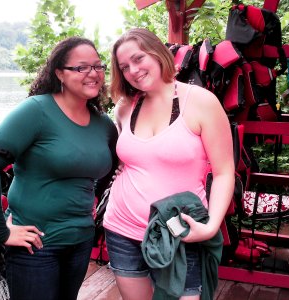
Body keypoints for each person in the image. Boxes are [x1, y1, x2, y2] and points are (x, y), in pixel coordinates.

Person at [0, 36, 118, 300]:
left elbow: (110, 167)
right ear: (60, 73)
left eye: (98, 66)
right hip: (36, 243)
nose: (93, 74)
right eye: (81, 67)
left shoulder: (103, 124)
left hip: (81, 239)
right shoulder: (36, 111)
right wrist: (1, 231)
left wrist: (94, 196)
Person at [103, 28, 235, 300]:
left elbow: (224, 173)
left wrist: (210, 227)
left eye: (139, 59)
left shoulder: (201, 102)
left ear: (157, 53)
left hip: (180, 230)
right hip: (122, 227)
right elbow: (137, 158)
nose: (133, 70)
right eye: (124, 67)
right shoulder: (125, 106)